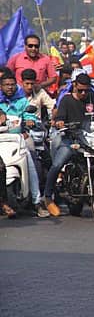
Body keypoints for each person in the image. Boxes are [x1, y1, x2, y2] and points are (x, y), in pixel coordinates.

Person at [44, 74, 94, 217]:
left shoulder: (93, 98)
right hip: (72, 139)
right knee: (57, 164)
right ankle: (48, 198)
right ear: (74, 85)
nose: (83, 93)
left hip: (91, 140)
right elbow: (60, 117)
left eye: (86, 90)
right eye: (80, 90)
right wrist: (60, 122)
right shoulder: (66, 100)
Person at [0, 70, 49, 217]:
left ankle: (36, 201)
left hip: (18, 138)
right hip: (1, 140)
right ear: (1, 86)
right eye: (6, 85)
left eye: (12, 84)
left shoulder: (22, 101)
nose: (10, 87)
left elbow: (29, 115)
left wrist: (30, 121)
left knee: (30, 162)